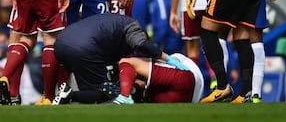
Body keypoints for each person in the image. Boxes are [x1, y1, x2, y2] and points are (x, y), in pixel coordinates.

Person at [52, 13, 189, 105]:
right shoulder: (133, 26)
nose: (134, 52)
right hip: (84, 48)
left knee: (90, 89)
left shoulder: (113, 26)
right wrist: (167, 58)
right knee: (104, 93)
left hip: (60, 44)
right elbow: (141, 43)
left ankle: (65, 95)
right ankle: (70, 95)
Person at [112, 52, 204, 104]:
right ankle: (129, 93)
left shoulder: (173, 58)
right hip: (191, 98)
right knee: (145, 94)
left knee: (125, 62)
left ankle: (124, 96)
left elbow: (128, 63)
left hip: (185, 78)